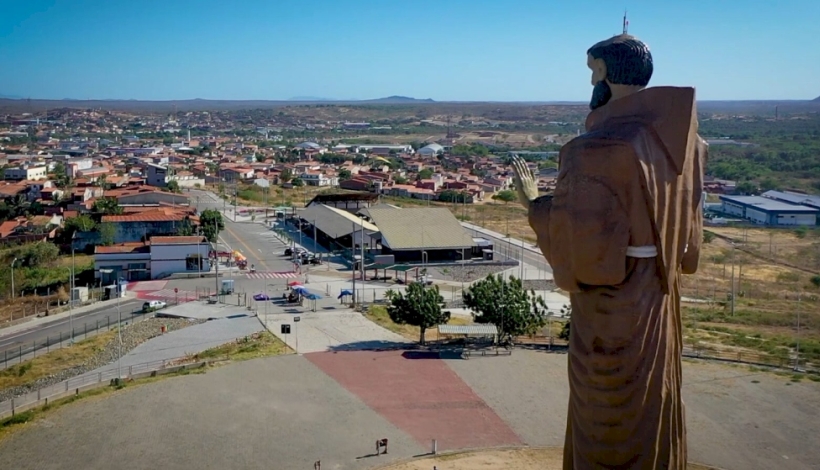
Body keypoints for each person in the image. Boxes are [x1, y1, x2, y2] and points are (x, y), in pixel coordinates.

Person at [513, 34, 705, 470]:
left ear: (602, 72)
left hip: (613, 305)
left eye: (591, 70)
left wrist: (534, 204)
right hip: (660, 296)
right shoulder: (687, 143)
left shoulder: (595, 149)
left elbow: (582, 242)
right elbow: (690, 243)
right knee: (653, 400)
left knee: (604, 414)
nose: (590, 82)